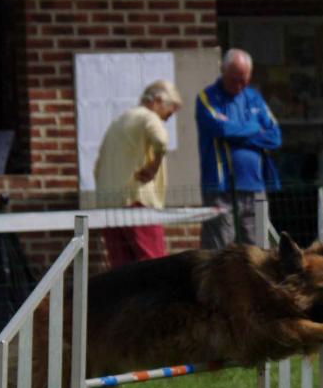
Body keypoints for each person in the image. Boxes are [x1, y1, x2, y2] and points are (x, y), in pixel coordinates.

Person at [196, 48, 281, 248]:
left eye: (244, 79)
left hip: (256, 187)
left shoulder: (254, 97)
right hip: (221, 188)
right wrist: (253, 128)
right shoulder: (207, 97)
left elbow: (274, 136)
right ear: (222, 71)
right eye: (234, 79)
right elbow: (221, 129)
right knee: (219, 251)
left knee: (261, 249)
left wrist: (236, 134)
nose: (239, 85)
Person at [92, 80, 182, 268]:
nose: (167, 119)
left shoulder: (119, 121)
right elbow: (161, 141)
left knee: (121, 272)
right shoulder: (148, 117)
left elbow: (97, 167)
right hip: (137, 203)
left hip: (109, 207)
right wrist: (153, 166)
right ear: (157, 100)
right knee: (153, 266)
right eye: (169, 113)